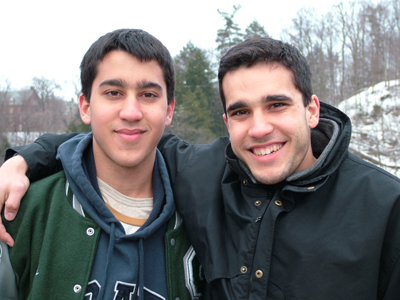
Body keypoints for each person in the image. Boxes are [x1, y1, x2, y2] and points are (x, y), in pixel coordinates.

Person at [1, 37, 400, 299]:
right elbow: (118, 138)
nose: (260, 128)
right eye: (241, 111)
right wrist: (22, 159)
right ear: (227, 124)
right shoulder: (206, 173)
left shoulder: (385, 207)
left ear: (312, 109)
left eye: (276, 104)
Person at [0, 29, 205, 300]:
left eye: (148, 95)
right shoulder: (23, 208)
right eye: (113, 92)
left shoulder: (204, 213)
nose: (131, 112)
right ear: (85, 107)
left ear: (168, 110)